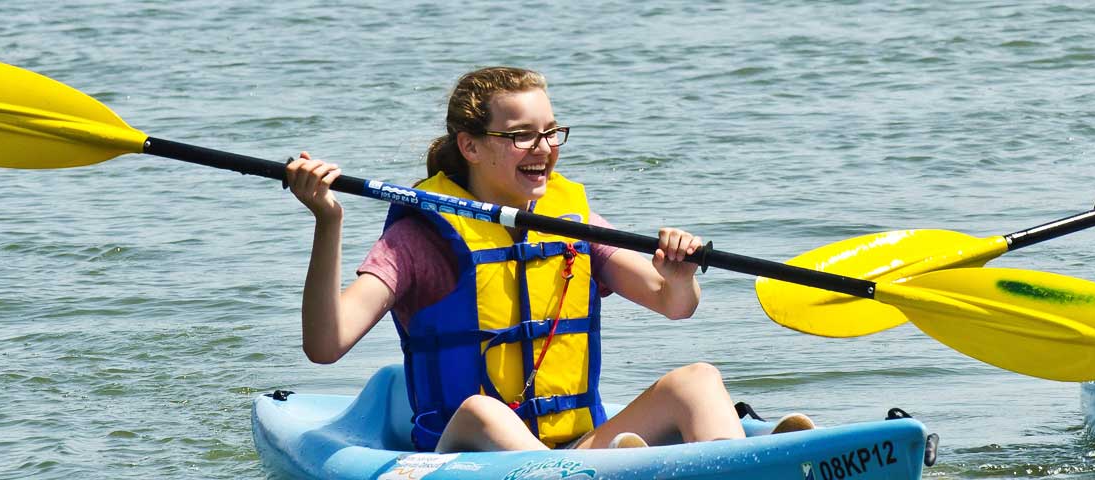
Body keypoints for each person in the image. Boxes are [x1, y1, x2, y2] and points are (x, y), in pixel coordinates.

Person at [285, 66, 812, 453]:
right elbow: (326, 345)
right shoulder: (421, 237)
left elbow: (674, 306)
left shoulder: (569, 218)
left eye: (551, 131)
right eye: (521, 136)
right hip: (466, 455)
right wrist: (328, 223)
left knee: (697, 378)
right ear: (469, 147)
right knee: (483, 411)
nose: (544, 148)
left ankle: (743, 467)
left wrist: (678, 275)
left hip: (575, 447)